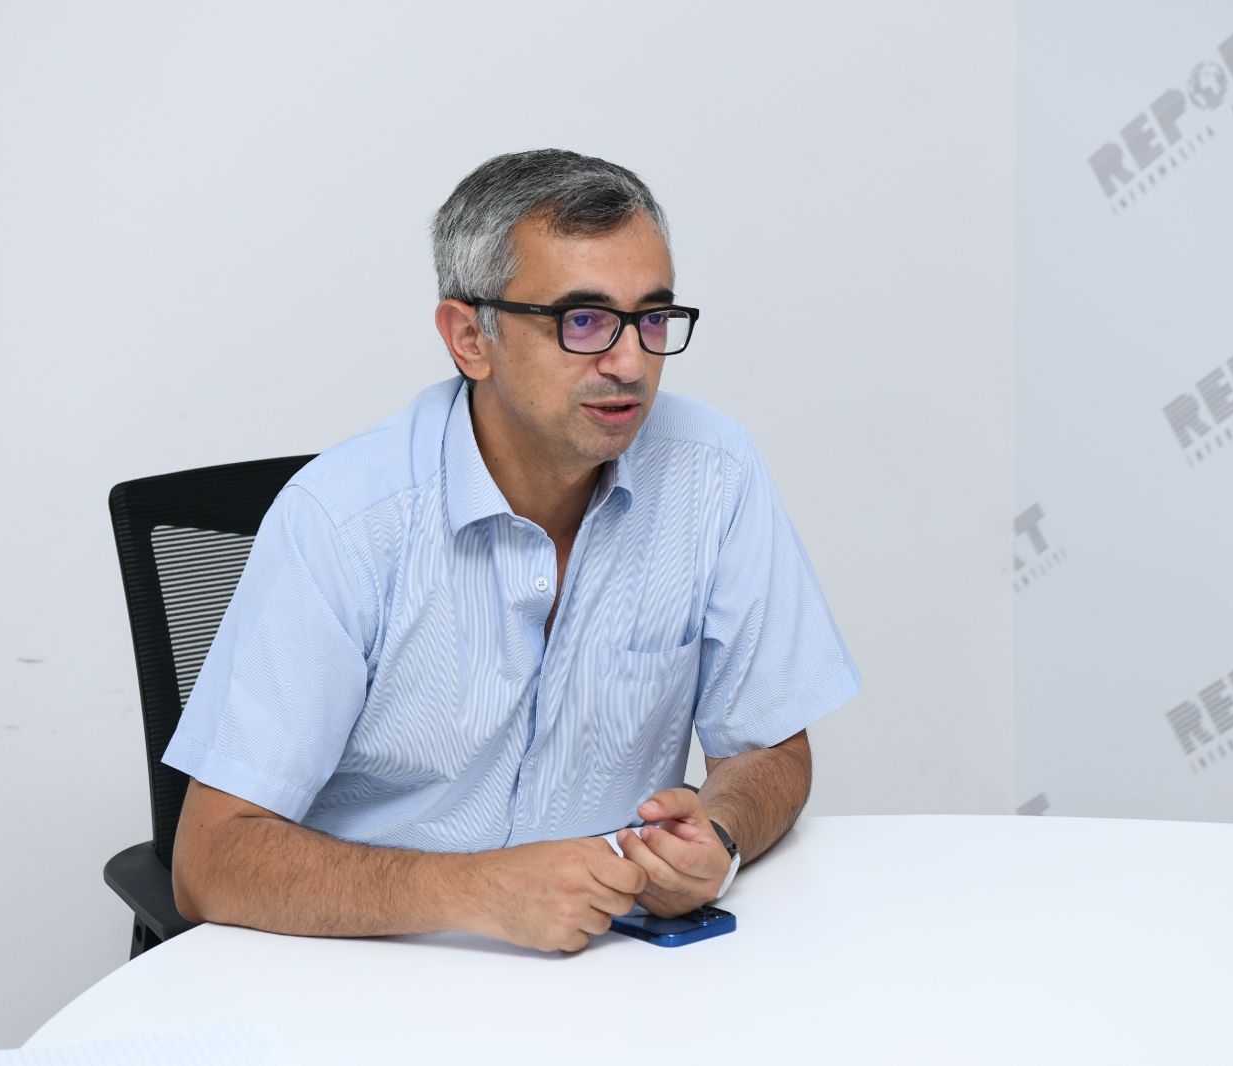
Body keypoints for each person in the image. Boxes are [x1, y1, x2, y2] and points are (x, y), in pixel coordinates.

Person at [163, 149, 860, 952]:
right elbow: (211, 860)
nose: (631, 363)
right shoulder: (344, 521)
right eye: (583, 321)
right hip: (371, 964)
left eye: (653, 318)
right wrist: (477, 890)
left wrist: (720, 836)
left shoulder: (714, 472)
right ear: (471, 338)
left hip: (613, 965)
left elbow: (772, 746)